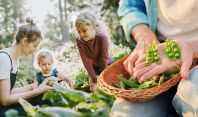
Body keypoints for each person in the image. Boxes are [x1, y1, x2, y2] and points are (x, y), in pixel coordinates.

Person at [111, 0, 198, 117]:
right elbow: (130, 5)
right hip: (162, 53)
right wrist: (144, 35)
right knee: (129, 113)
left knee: (191, 93)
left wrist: (193, 48)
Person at [0, 18, 54, 117]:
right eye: (34, 46)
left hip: (4, 105)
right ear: (25, 41)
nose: (35, 50)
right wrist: (36, 91)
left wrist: (32, 87)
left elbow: (8, 91)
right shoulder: (4, 58)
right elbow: (4, 100)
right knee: (40, 108)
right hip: (2, 109)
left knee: (44, 99)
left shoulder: (15, 59)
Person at [75, 12, 113, 90]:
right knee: (94, 88)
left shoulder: (102, 37)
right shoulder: (79, 41)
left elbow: (103, 59)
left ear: (93, 27)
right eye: (79, 31)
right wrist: (94, 78)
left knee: (109, 85)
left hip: (107, 65)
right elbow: (85, 60)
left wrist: (103, 79)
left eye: (84, 30)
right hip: (94, 67)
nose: (81, 34)